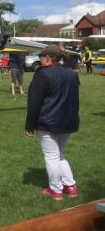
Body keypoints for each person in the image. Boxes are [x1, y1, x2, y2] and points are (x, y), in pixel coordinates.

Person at [25, 45, 79, 200]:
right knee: (59, 154)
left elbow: (34, 101)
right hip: (68, 120)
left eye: (41, 56)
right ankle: (70, 186)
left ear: (47, 57)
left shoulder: (42, 74)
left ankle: (56, 189)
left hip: (48, 122)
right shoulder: (71, 73)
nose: (40, 59)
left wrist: (29, 125)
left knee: (51, 156)